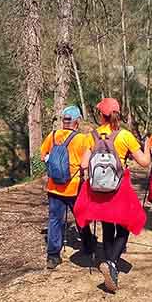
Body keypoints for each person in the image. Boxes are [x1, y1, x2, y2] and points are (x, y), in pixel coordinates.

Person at [74, 98, 150, 293]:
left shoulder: (92, 135)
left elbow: (83, 165)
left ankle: (109, 263)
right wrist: (148, 146)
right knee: (124, 227)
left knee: (108, 226)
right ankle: (112, 263)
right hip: (119, 188)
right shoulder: (125, 135)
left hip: (99, 191)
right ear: (118, 113)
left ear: (101, 115)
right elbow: (144, 162)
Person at [39, 106, 94, 269]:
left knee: (55, 220)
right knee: (81, 217)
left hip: (54, 186)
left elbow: (43, 157)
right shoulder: (82, 139)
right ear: (77, 122)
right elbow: (85, 164)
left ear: (64, 121)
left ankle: (53, 256)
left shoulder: (53, 135)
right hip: (74, 186)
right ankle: (88, 246)